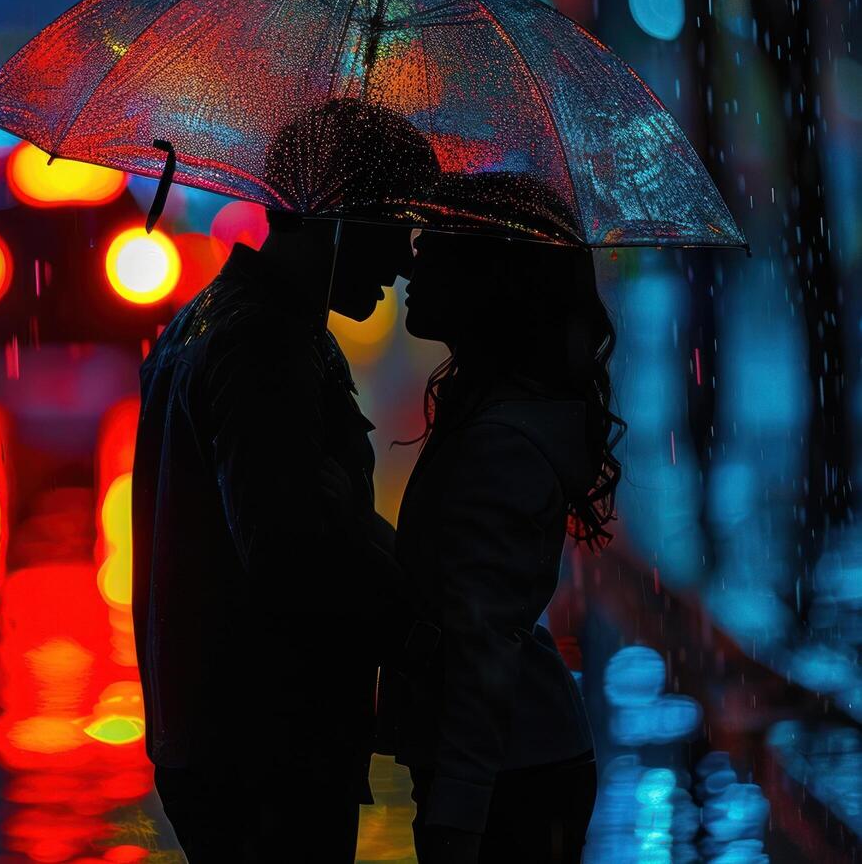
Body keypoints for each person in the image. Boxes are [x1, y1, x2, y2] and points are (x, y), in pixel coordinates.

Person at [131, 99, 436, 861]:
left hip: (224, 736)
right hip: (265, 744)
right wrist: (422, 619)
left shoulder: (218, 321)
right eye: (394, 224)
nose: (404, 258)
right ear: (333, 214)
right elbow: (292, 551)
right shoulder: (265, 344)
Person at [378, 187, 620, 864]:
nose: (406, 268)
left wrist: (458, 810)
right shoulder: (495, 423)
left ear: (486, 282)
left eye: (430, 252)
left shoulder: (499, 444)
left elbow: (481, 646)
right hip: (516, 762)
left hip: (509, 775)